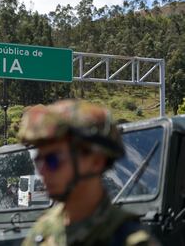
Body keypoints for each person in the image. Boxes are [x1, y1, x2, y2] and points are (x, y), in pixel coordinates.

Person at [18, 100, 157, 246]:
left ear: (96, 162)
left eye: (53, 160)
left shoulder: (129, 239)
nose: (42, 171)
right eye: (38, 160)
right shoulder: (42, 232)